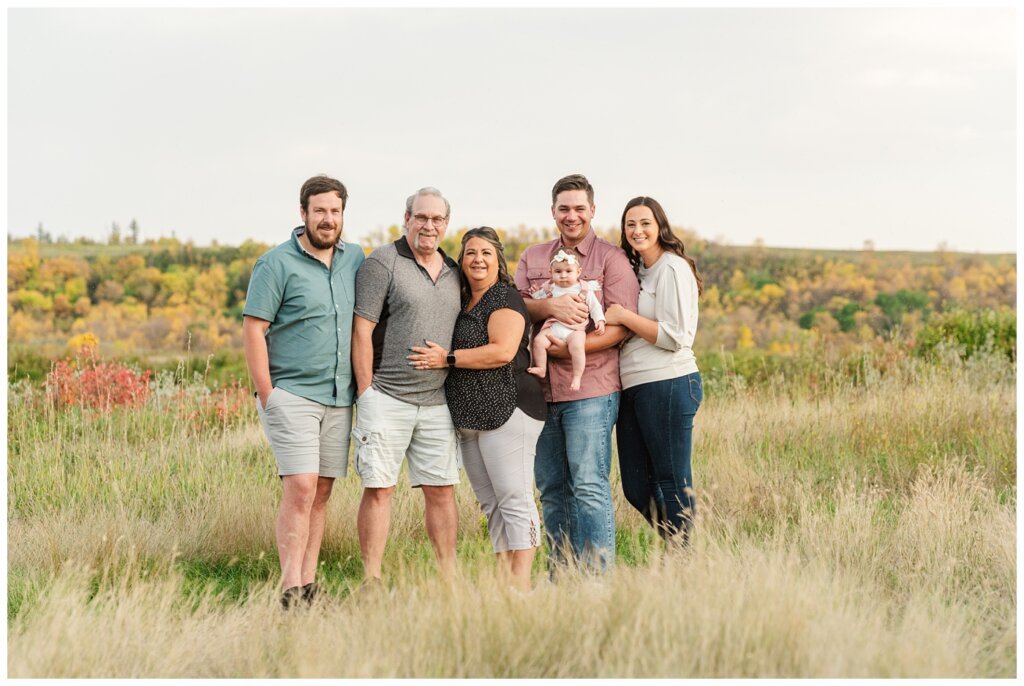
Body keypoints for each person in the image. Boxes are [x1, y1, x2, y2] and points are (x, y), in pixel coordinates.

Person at [242, 174, 365, 608]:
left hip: (339, 396)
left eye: (335, 211)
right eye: (319, 211)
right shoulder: (274, 264)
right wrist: (268, 395)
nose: (327, 219)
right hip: (291, 393)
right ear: (303, 214)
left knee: (323, 491)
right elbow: (254, 330)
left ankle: (309, 585)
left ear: (342, 215)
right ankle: (289, 589)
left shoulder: (355, 260)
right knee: (300, 486)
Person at [514, 173, 640, 573]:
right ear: (553, 211)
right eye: (564, 208)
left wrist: (572, 348)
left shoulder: (611, 260)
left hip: (592, 390)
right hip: (541, 392)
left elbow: (622, 326)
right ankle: (560, 579)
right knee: (552, 490)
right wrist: (549, 309)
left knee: (588, 486)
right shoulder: (533, 257)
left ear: (592, 211)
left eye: (579, 208)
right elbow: (514, 308)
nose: (572, 216)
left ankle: (597, 583)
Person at [410, 227, 547, 592]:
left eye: (486, 253)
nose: (477, 260)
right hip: (471, 419)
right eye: (470, 252)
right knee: (491, 504)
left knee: (514, 499)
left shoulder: (504, 297)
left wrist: (448, 358)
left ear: (497, 258)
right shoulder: (462, 300)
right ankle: (504, 585)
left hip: (509, 408)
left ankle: (520, 587)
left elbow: (502, 350)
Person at [351, 186, 462, 584]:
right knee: (380, 489)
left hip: (437, 402)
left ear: (446, 224)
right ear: (407, 218)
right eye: (422, 217)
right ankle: (372, 579)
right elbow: (361, 331)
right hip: (387, 397)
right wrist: (366, 393)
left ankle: (448, 579)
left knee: (442, 490)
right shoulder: (383, 262)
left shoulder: (454, 271)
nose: (428, 226)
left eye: (437, 219)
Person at [604, 196, 704, 545]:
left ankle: (683, 559)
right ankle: (678, 547)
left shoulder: (672, 267)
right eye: (630, 224)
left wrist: (624, 317)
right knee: (635, 487)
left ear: (660, 225)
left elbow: (677, 336)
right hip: (634, 386)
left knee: (671, 481)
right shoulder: (641, 270)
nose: (637, 230)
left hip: (669, 382)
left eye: (645, 222)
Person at [527, 248, 606, 391]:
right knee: (538, 341)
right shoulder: (550, 288)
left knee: (577, 348)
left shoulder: (584, 289)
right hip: (553, 327)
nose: (563, 275)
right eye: (558, 272)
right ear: (551, 273)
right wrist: (535, 295)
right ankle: (541, 367)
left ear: (578, 272)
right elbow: (542, 302)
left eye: (568, 271)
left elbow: (595, 306)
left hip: (575, 330)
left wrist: (600, 320)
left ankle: (577, 376)